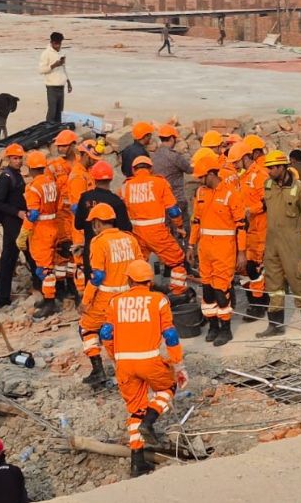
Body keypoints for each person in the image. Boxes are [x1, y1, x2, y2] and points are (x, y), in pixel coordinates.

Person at [98, 260, 187, 477]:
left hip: (125, 364)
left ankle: (137, 463)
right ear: (149, 280)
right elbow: (170, 335)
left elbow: (106, 334)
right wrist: (178, 365)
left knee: (135, 410)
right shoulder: (159, 300)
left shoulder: (115, 302)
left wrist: (115, 356)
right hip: (150, 360)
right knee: (168, 389)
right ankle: (150, 421)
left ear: (129, 280)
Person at [79, 204, 144, 386]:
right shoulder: (129, 239)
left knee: (87, 328)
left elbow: (98, 276)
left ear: (98, 223)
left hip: (106, 299)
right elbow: (141, 265)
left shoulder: (99, 242)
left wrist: (85, 301)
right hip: (130, 295)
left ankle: (98, 370)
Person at [189, 154, 247, 346]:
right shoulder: (200, 193)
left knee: (222, 292)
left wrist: (241, 252)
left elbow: (241, 225)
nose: (199, 180)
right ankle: (213, 326)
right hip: (205, 250)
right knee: (207, 292)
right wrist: (191, 244)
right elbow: (196, 221)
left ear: (211, 174)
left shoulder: (231, 194)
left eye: (201, 177)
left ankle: (226, 329)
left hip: (224, 251)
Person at [255, 151, 301, 338]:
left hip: (292, 243)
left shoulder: (299, 188)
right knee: (273, 284)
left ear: (282, 167)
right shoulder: (267, 186)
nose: (269, 171)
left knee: (297, 281)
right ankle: (275, 325)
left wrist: (294, 233)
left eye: (272, 168)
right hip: (272, 243)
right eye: (268, 168)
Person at [121, 156, 189, 296]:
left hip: (137, 234)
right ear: (150, 168)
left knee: (139, 266)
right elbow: (173, 210)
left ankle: (141, 294)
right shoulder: (159, 182)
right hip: (158, 232)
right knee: (176, 261)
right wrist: (179, 225)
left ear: (134, 170)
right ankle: (178, 294)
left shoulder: (126, 186)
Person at [74, 160, 132, 291]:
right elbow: (126, 229)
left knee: (93, 285)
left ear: (94, 178)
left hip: (91, 250)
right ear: (111, 178)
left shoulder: (85, 198)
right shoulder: (116, 201)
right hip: (113, 252)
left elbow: (78, 225)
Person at [23, 151, 62, 320]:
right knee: (51, 265)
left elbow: (32, 214)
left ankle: (50, 301)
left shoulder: (33, 188)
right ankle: (53, 295)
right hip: (54, 225)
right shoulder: (52, 183)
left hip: (41, 230)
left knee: (45, 269)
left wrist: (24, 232)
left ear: (31, 169)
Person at [0, 144, 27, 308]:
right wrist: (17, 212)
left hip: (17, 221)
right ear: (8, 159)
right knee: (10, 257)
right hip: (12, 222)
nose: (18, 161)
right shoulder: (6, 178)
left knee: (9, 258)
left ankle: (2, 297)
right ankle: (2, 298)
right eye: (14, 158)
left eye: (19, 158)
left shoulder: (16, 175)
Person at [238, 135, 271, 320]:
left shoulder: (260, 175)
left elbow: (266, 201)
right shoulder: (246, 176)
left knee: (256, 267)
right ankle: (257, 301)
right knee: (248, 267)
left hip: (260, 228)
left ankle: (259, 305)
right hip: (249, 229)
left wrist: (251, 210)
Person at [152, 125, 193, 215]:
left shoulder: (153, 156)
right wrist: (186, 154)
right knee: (182, 226)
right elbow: (190, 170)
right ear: (171, 138)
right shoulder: (174, 156)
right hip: (176, 200)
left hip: (160, 200)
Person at [39, 32, 71, 123]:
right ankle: (48, 130)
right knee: (52, 112)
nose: (58, 46)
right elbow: (41, 70)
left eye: (60, 44)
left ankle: (57, 133)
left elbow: (64, 68)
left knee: (59, 113)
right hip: (52, 87)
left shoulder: (61, 52)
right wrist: (53, 65)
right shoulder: (46, 53)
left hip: (61, 86)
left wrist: (68, 81)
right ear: (52, 42)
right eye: (56, 44)